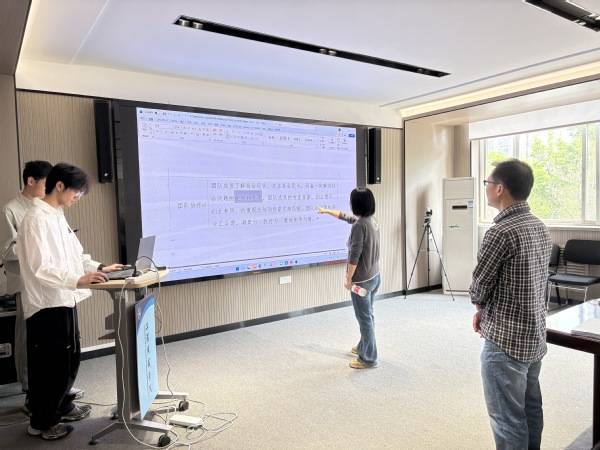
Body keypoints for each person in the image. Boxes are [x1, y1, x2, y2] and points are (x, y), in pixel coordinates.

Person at [17, 163, 122, 440]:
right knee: (50, 366)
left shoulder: (57, 215)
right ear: (60, 186)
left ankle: (59, 408)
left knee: (69, 359)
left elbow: (75, 256)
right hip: (45, 304)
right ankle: (42, 423)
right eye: (77, 192)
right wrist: (78, 279)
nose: (78, 197)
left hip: (64, 297)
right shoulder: (36, 219)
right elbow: (40, 268)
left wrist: (100, 267)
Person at [470, 158, 552, 449]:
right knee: (530, 409)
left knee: (507, 419)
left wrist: (479, 307)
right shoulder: (539, 226)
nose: (486, 188)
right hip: (533, 336)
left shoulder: (500, 232)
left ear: (500, 188)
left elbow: (480, 285)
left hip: (505, 341)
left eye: (488, 183)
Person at [317, 187, 381, 369]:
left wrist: (348, 278)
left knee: (364, 318)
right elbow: (346, 216)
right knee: (368, 315)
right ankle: (363, 346)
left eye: (351, 201)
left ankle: (369, 359)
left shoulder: (359, 225)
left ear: (357, 203)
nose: (349, 203)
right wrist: (326, 210)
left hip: (361, 281)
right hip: (374, 276)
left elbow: (355, 254)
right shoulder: (370, 220)